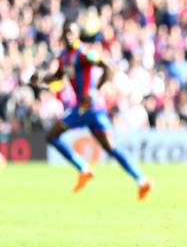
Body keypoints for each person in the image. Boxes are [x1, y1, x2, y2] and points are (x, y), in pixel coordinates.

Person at [31, 22, 152, 200]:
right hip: (90, 109)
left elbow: (108, 66)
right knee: (110, 147)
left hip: (87, 107)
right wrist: (40, 77)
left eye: (72, 33)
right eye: (66, 33)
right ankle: (141, 180)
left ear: (78, 35)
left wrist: (97, 90)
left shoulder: (84, 52)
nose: (69, 37)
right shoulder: (64, 56)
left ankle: (84, 168)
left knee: (52, 136)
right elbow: (57, 77)